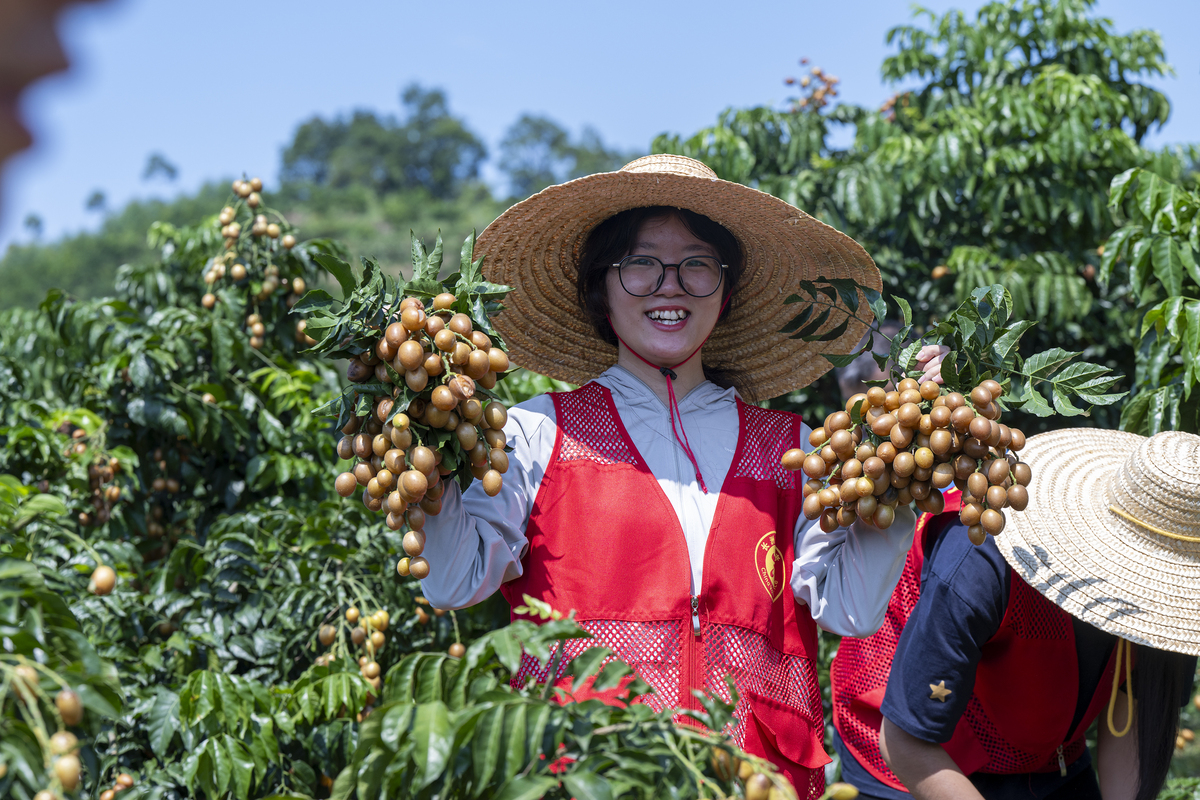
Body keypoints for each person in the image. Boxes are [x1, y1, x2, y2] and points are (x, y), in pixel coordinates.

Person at [418, 154, 920, 796]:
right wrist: (426, 461)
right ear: (601, 289)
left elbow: (848, 611)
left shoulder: (795, 450)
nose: (669, 285)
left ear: (726, 289)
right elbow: (456, 582)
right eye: (640, 265)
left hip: (752, 777)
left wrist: (905, 480)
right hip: (588, 772)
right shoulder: (536, 434)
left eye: (696, 266)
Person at [830, 425, 1200, 800]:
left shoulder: (1178, 608)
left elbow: (1133, 703)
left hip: (1047, 754)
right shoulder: (982, 560)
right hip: (918, 751)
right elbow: (905, 743)